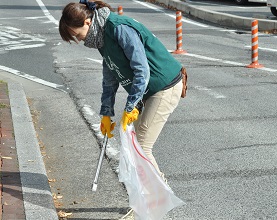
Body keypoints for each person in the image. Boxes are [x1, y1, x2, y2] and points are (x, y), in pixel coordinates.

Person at [59, 0, 187, 219]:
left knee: (141, 146)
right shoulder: (100, 38)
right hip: (150, 90)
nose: (77, 40)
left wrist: (131, 106)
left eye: (75, 34)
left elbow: (141, 70)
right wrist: (106, 113)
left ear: (88, 22)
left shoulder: (118, 29)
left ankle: (156, 199)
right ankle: (149, 197)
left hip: (164, 86)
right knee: (134, 145)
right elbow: (110, 77)